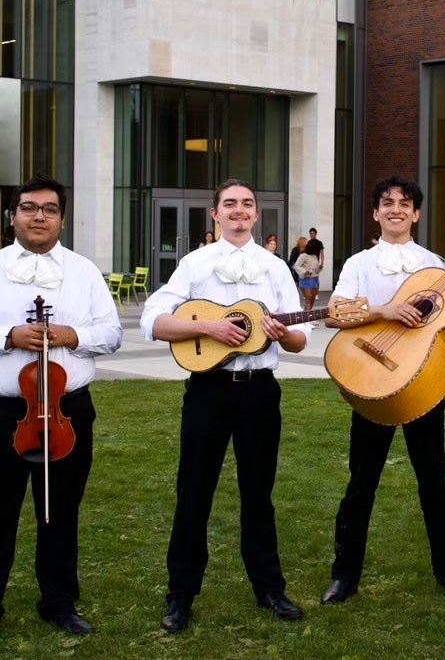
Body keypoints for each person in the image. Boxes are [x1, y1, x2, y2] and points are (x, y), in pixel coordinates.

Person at [0, 175, 123, 644]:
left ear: (62, 218)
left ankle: (59, 602)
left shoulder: (84, 272)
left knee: (60, 511)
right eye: (28, 208)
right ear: (13, 216)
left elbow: (113, 334)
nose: (38, 216)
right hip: (0, 412)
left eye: (48, 209)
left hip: (67, 411)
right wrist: (7, 336)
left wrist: (73, 336)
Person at [319, 176, 445, 606]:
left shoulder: (435, 264)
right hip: (372, 379)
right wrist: (384, 309)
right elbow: (333, 314)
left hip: (422, 381)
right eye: (387, 202)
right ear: (376, 213)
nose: (396, 209)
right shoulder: (359, 263)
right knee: (361, 483)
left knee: (435, 482)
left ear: (416, 214)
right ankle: (344, 576)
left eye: (405, 203)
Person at [140, 179, 310, 632]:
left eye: (247, 204)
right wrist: (212, 328)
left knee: (259, 494)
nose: (239, 210)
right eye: (230, 204)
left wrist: (283, 333)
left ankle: (270, 588)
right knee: (193, 492)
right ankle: (181, 594)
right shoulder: (194, 264)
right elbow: (152, 320)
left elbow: (299, 340)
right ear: (214, 214)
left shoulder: (275, 267)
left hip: (260, 390)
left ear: (257, 215)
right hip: (208, 389)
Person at [294, 238, 324, 310]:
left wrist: (319, 267)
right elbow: (296, 266)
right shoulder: (303, 255)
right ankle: (307, 319)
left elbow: (315, 270)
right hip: (306, 279)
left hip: (315, 279)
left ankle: (308, 316)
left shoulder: (314, 256)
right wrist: (304, 272)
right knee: (308, 299)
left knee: (312, 299)